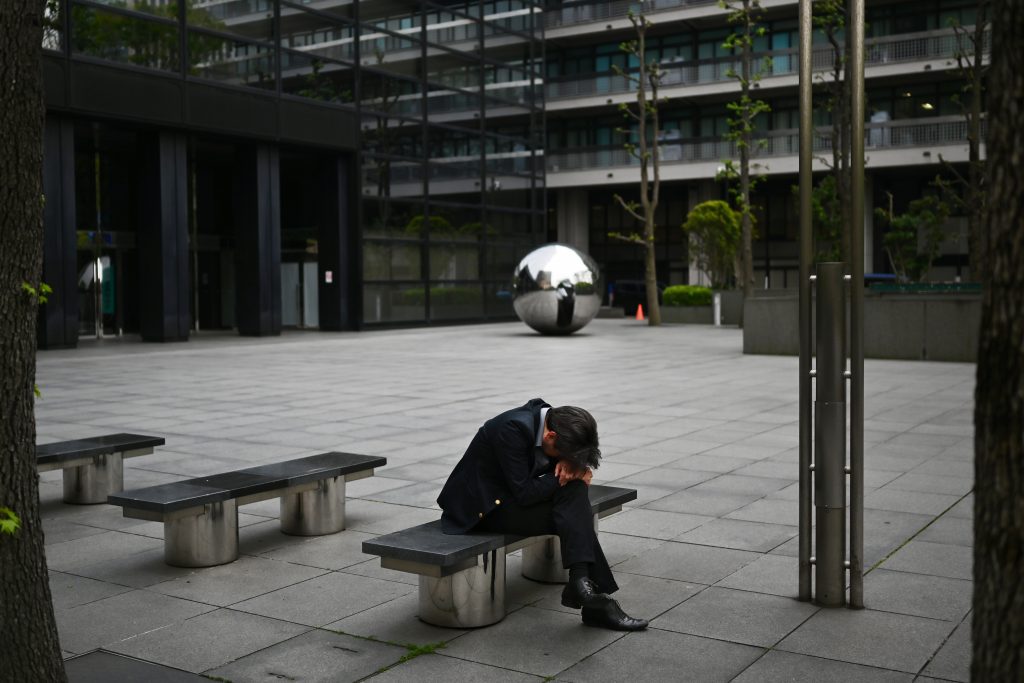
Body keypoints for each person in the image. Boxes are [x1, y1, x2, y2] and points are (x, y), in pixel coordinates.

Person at [437, 398, 648, 631]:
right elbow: (525, 493)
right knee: (574, 516)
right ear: (550, 437)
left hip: (511, 498)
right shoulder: (511, 430)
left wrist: (575, 467)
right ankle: (590, 597)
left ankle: (582, 584)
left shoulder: (556, 421)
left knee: (574, 502)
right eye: (563, 455)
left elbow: (538, 485)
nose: (562, 460)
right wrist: (570, 476)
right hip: (482, 509)